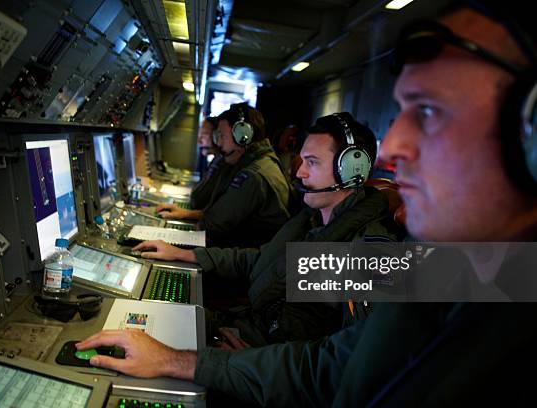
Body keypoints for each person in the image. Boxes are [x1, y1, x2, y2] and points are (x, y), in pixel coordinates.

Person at [77, 1, 537, 405]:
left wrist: (201, 361)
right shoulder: (455, 269)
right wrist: (188, 271)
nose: (394, 147)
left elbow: (319, 372)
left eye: (430, 111)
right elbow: (325, 357)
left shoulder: (377, 254)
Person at [133, 113, 403, 346]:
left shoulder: (366, 255)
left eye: (312, 162)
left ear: (351, 171)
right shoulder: (315, 221)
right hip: (249, 330)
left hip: (260, 356)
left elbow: (337, 365)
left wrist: (249, 359)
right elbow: (263, 259)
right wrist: (185, 254)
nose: (300, 174)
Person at [156, 103, 293, 248]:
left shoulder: (254, 175)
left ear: (243, 137)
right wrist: (187, 214)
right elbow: (219, 214)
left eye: (222, 135)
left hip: (243, 262)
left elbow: (211, 226)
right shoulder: (260, 163)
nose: (218, 143)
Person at [190, 117, 232, 210]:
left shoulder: (222, 163)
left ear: (216, 136)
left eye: (204, 135)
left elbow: (198, 201)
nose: (199, 141)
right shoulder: (217, 160)